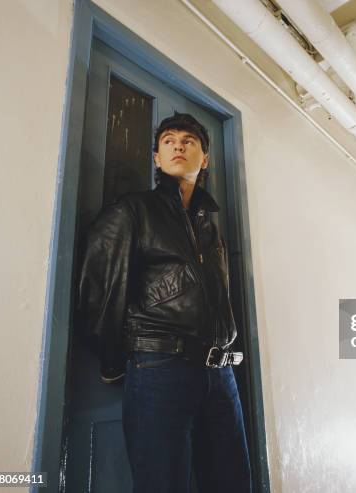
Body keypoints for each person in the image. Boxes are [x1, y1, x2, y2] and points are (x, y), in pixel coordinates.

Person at [78, 112, 252, 493]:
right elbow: (97, 292)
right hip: (159, 368)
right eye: (168, 139)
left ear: (205, 158)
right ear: (157, 157)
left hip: (221, 373)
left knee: (233, 482)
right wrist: (113, 363)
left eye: (189, 140)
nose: (178, 145)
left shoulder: (210, 224)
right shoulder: (132, 210)